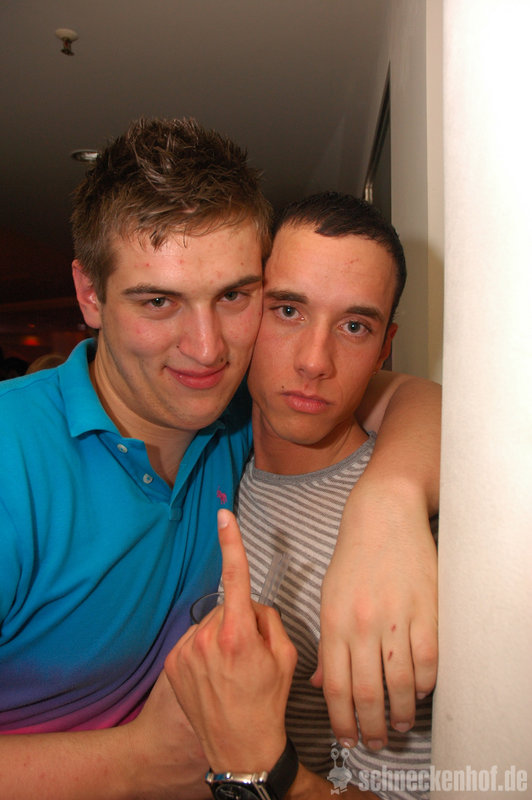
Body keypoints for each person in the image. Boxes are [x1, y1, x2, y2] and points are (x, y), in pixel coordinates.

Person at [0, 120, 439, 799]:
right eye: (158, 300)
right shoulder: (14, 461)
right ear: (90, 295)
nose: (207, 350)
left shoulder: (235, 417)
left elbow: (413, 395)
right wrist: (139, 760)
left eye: (234, 296)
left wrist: (389, 500)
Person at [166, 193, 438, 799]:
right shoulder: (212, 446)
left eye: (354, 326)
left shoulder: (413, 541)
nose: (315, 362)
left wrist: (267, 770)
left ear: (384, 346)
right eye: (288, 311)